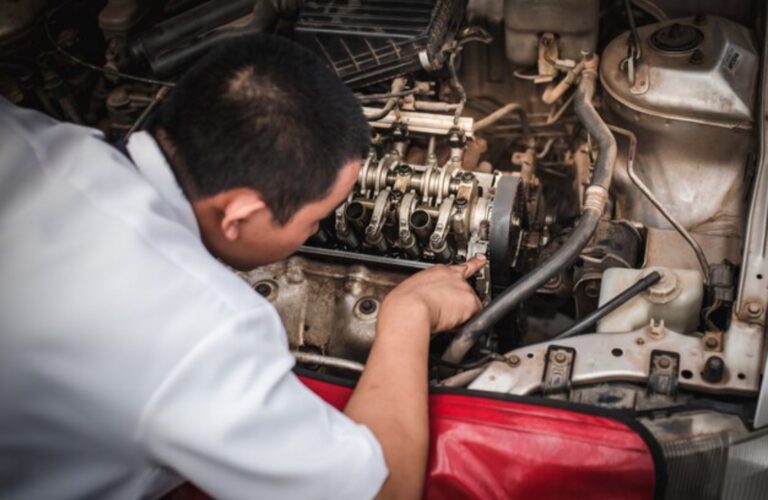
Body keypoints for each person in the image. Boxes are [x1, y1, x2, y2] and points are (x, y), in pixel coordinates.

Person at [0, 33, 483, 499]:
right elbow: (382, 492)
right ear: (239, 216)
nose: (317, 230)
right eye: (315, 219)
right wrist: (407, 312)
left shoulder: (28, 137)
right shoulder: (199, 332)